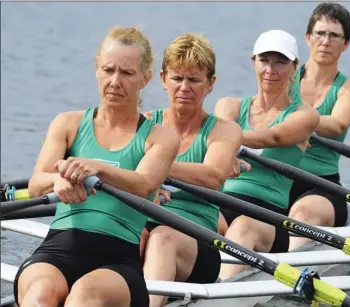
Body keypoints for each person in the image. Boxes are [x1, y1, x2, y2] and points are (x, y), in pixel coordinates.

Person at [14, 26, 180, 307]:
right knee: (40, 296)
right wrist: (57, 182)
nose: (115, 81)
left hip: (118, 261)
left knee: (84, 297)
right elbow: (35, 184)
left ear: (145, 78)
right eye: (108, 70)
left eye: (126, 73)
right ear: (96, 69)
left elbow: (145, 184)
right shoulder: (67, 123)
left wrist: (97, 168)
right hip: (57, 249)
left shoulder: (160, 138)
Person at [141, 33, 243, 307]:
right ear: (163, 79)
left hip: (199, 242)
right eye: (177, 78)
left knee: (162, 237)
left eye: (194, 80)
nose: (184, 87)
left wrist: (157, 167)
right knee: (130, 233)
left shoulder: (224, 131)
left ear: (210, 84)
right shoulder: (146, 124)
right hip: (146, 226)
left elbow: (213, 176)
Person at [214, 29, 320, 280]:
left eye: (280, 62)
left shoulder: (305, 116)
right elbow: (216, 136)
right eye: (264, 61)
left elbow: (273, 137)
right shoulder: (229, 105)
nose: (270, 69)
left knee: (242, 226)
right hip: (221, 205)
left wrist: (228, 141)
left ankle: (218, 293)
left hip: (268, 220)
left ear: (295, 67)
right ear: (254, 63)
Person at [287, 2, 350, 250]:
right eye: (320, 33)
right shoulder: (283, 78)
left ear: (346, 44)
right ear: (308, 37)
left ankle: (281, 278)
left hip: (321, 186)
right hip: (276, 178)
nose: (326, 41)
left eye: (335, 36)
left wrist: (296, 121)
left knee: (301, 216)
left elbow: (336, 124)